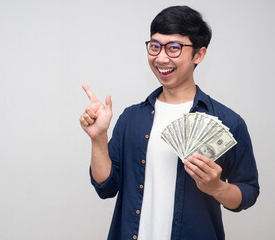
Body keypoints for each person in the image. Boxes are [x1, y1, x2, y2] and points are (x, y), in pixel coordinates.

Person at [79, 5, 259, 240]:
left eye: (174, 48)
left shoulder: (227, 121)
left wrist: (218, 188)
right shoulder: (131, 118)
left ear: (199, 54)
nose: (161, 58)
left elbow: (248, 190)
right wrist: (98, 138)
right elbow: (106, 187)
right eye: (155, 46)